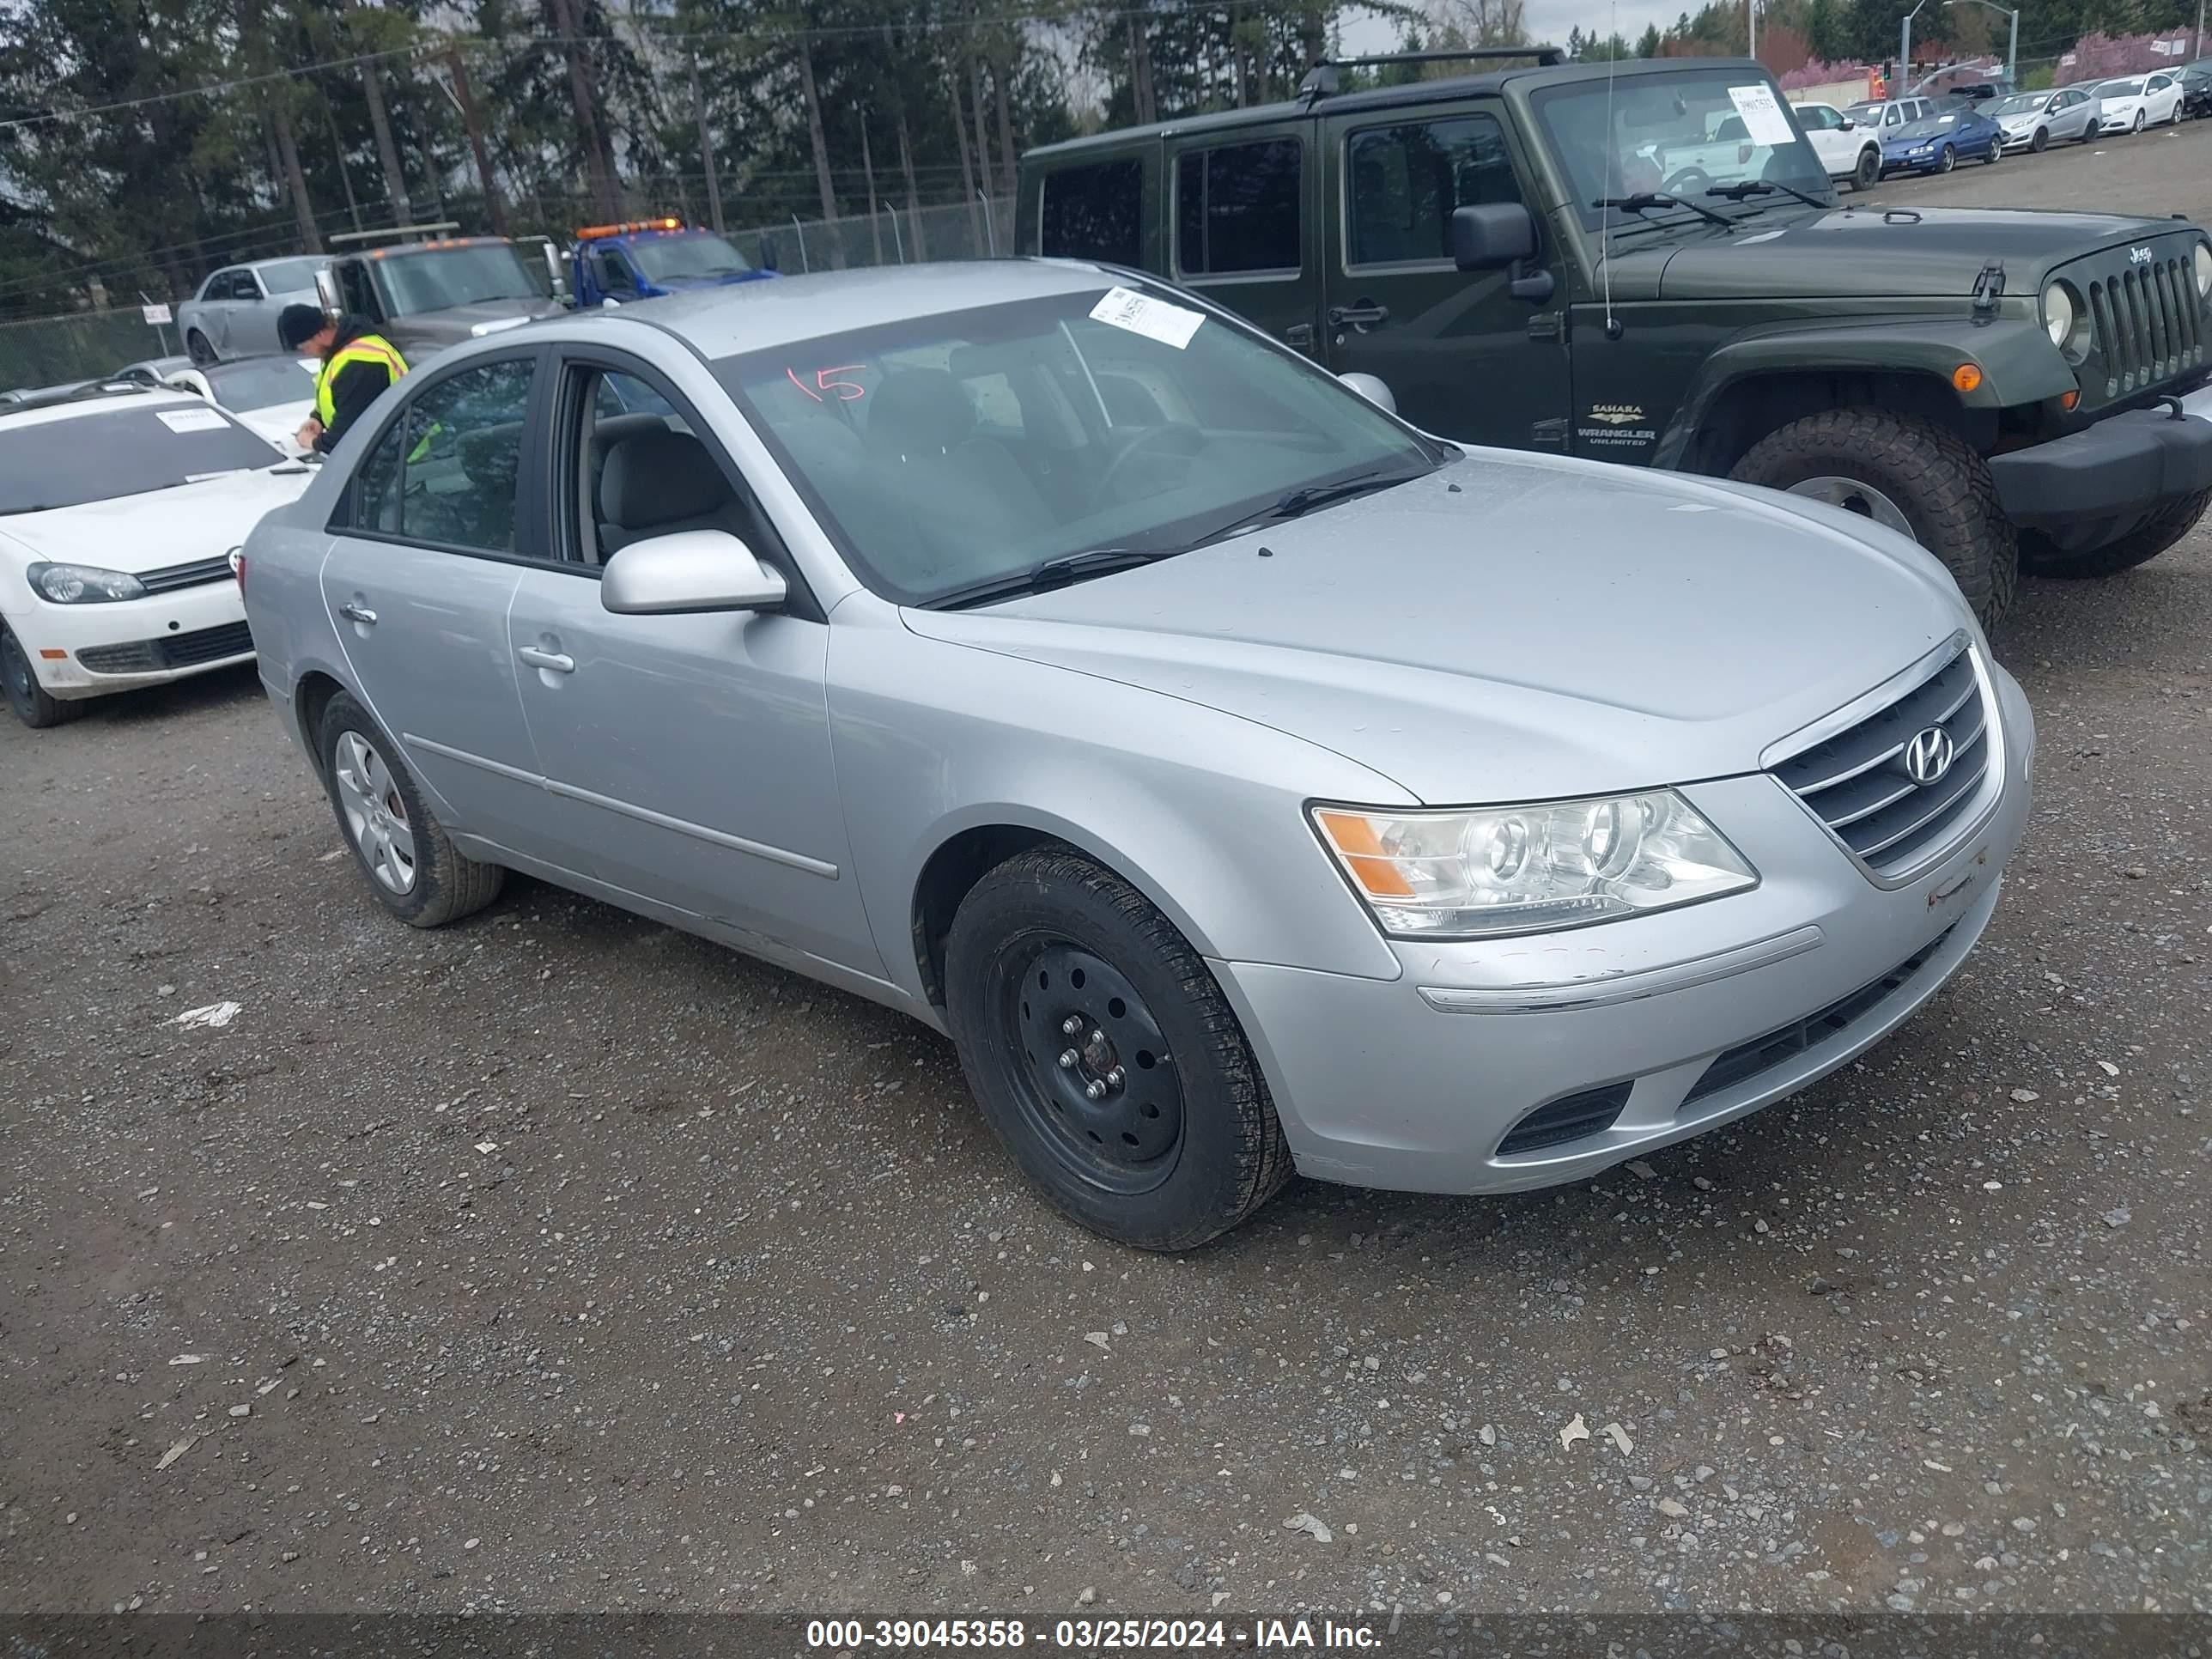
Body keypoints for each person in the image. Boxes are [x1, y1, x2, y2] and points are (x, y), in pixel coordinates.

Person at [276, 302, 409, 455]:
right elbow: (339, 398)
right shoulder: (342, 351)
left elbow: (348, 438)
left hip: (401, 456)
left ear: (320, 335)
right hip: (384, 450)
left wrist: (312, 442)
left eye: (304, 347)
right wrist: (317, 419)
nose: (306, 353)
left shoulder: (359, 364)